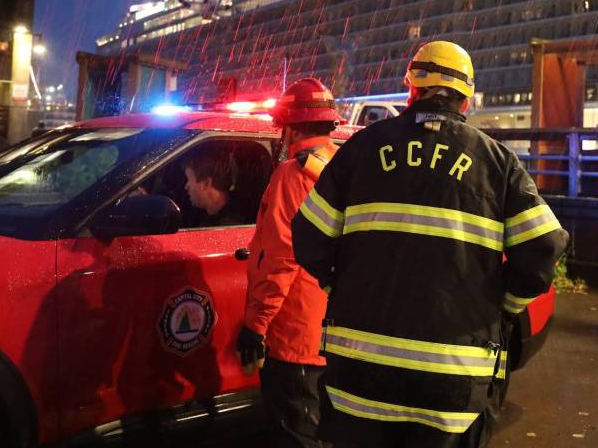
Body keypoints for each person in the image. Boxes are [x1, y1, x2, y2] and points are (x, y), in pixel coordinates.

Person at [292, 41, 569, 448]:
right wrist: (503, 305)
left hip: (359, 377)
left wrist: (342, 285)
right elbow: (545, 246)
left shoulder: (362, 149)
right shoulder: (495, 161)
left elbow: (309, 235)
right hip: (451, 383)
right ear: (466, 99)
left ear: (412, 90)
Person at [236, 78, 342, 447]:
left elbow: (280, 257)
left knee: (296, 434)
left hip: (294, 336)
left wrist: (255, 326)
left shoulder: (292, 176)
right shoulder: (341, 168)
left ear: (292, 127)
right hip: (332, 333)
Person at [183, 146, 243, 226]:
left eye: (188, 179)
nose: (186, 186)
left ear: (206, 183)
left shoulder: (230, 226)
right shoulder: (199, 214)